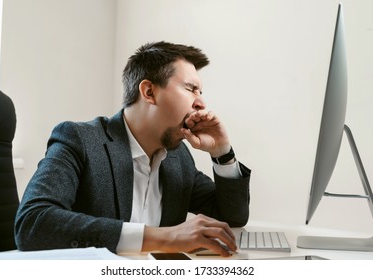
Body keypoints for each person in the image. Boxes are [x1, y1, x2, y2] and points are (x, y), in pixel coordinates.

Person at [15, 41, 251, 257]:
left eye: (200, 92)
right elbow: (32, 223)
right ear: (149, 92)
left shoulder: (178, 158)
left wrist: (222, 153)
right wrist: (165, 237)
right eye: (191, 89)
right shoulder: (80, 139)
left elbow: (232, 217)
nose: (201, 103)